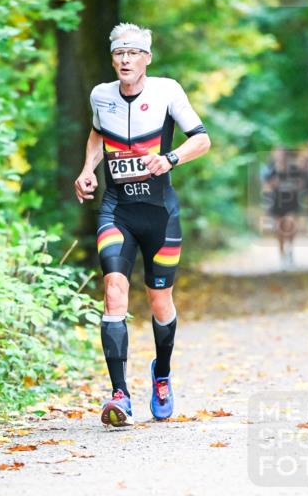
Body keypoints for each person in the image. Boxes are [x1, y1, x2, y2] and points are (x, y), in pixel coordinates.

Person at [74, 23, 211, 427]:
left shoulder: (167, 91)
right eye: (119, 53)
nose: (125, 59)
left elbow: (202, 139)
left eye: (133, 53)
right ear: (112, 58)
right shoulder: (101, 95)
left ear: (147, 58)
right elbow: (97, 135)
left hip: (159, 213)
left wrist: (169, 159)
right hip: (116, 210)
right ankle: (119, 395)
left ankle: (162, 375)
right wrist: (87, 170)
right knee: (114, 290)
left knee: (159, 302)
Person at [262, 146, 304, 270]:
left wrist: (295, 185)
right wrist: (272, 185)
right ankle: (282, 257)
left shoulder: (294, 169)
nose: (280, 156)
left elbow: (301, 183)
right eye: (277, 154)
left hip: (291, 202)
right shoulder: (270, 169)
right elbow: (265, 186)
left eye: (282, 153)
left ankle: (290, 250)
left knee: (290, 225)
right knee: (280, 230)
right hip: (277, 203)